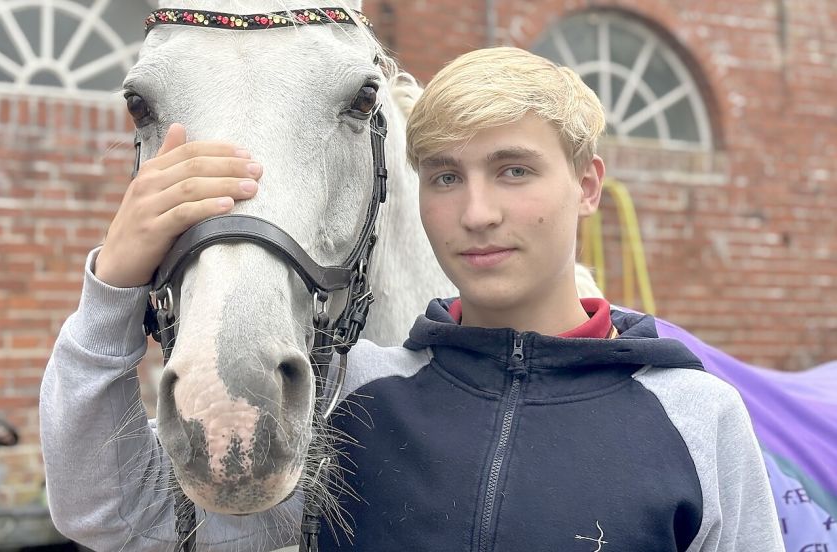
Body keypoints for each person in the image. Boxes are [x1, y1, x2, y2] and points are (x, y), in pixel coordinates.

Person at [40, 47, 784, 551]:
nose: (476, 213)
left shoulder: (694, 415)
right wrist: (112, 287)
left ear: (586, 186)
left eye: (514, 171)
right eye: (445, 177)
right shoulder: (357, 395)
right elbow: (118, 518)